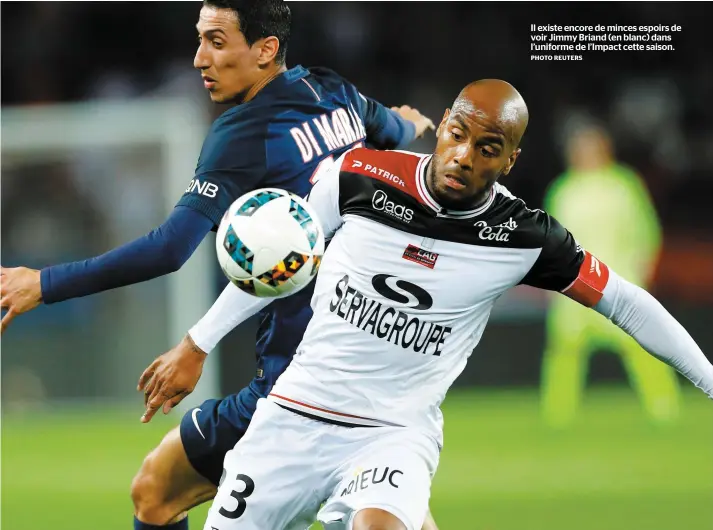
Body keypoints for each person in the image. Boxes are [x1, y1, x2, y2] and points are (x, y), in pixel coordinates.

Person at [142, 79, 713, 530]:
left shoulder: (524, 237)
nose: (465, 157)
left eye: (488, 149)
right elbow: (280, 262)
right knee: (160, 492)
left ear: (509, 161)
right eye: (458, 134)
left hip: (394, 432)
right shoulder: (359, 177)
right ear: (442, 127)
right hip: (293, 414)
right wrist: (197, 343)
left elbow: (629, 304)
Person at [0, 1, 438, 529]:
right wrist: (411, 124)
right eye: (199, 39)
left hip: (297, 377)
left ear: (265, 49)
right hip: (376, 360)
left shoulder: (243, 134)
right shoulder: (333, 92)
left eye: (216, 41)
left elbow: (168, 248)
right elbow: (390, 131)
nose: (198, 58)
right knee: (158, 487)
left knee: (156, 494)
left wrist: (43, 282)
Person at [540, 123, 681, 427]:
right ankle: (557, 415)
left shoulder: (623, 185)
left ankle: (664, 407)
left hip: (619, 281)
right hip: (573, 286)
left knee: (643, 345)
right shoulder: (564, 188)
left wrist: (641, 270)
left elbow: (646, 232)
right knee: (565, 350)